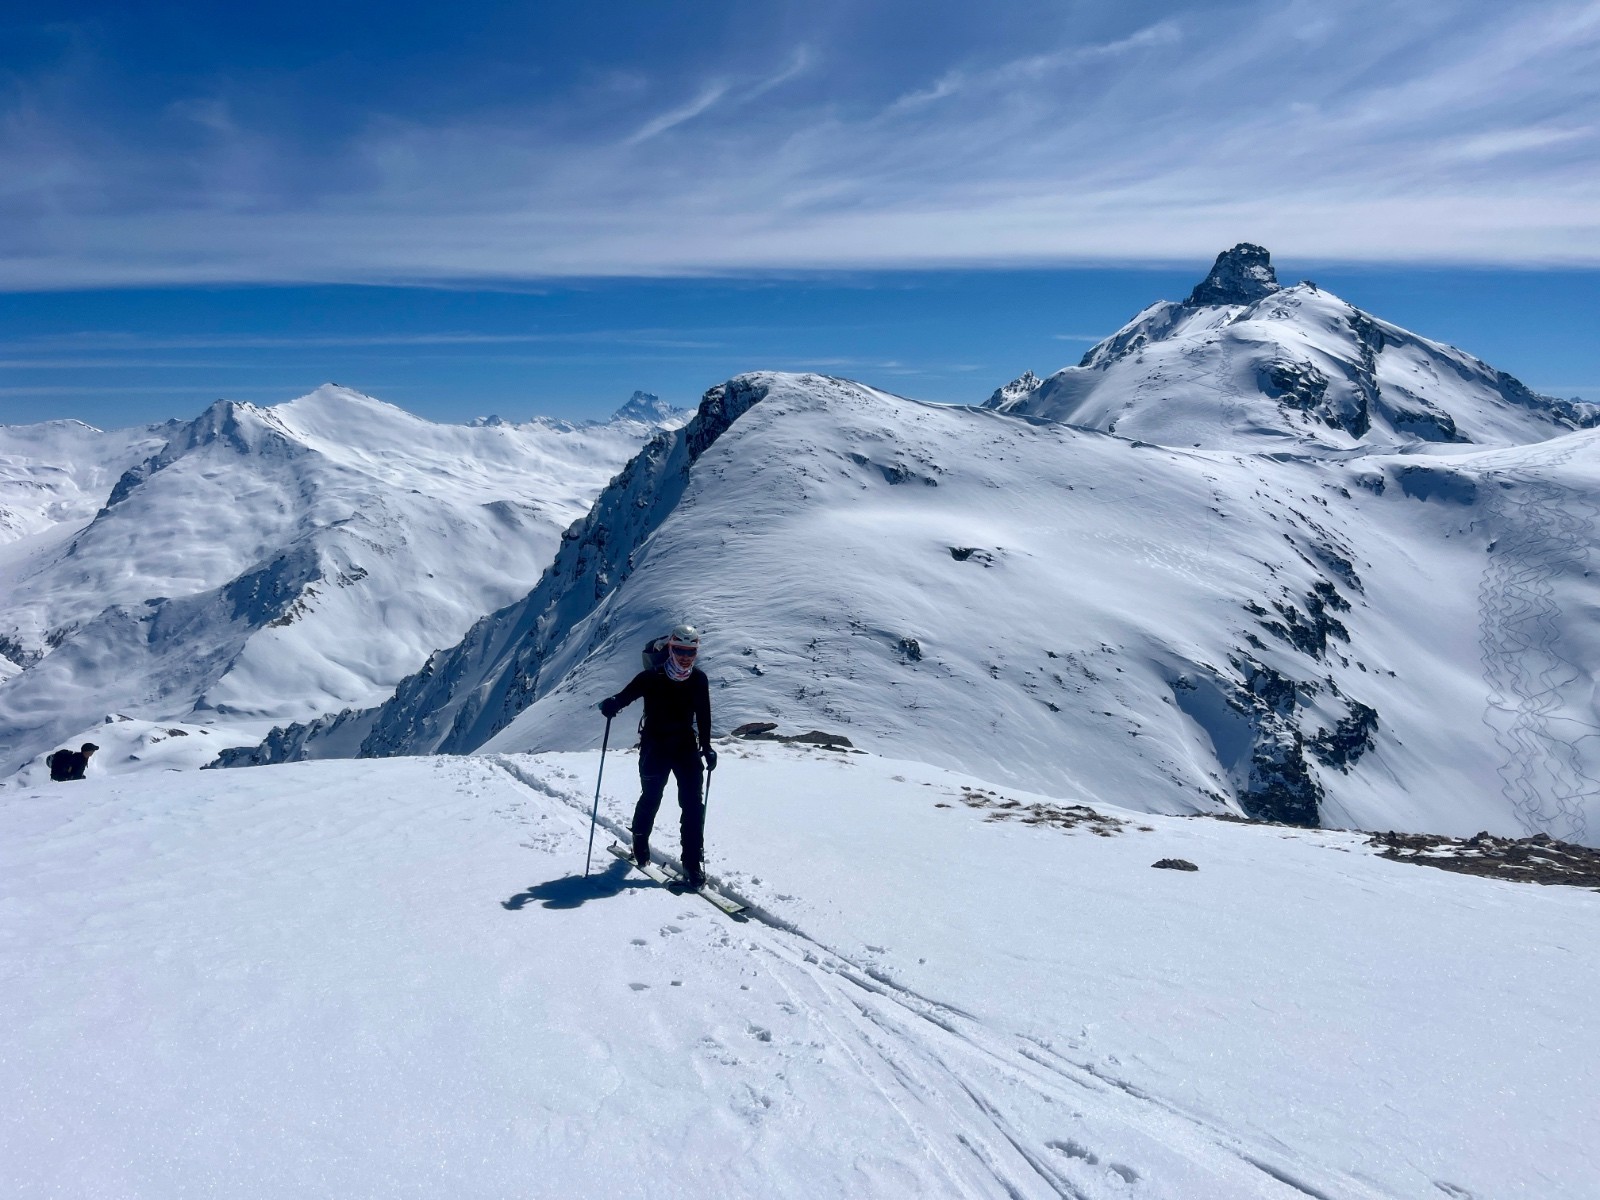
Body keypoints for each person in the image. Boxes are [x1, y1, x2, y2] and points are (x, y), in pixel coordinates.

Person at [598, 624, 717, 889]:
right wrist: (611, 704)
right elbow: (625, 697)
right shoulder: (651, 678)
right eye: (680, 650)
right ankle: (640, 841)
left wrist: (707, 747)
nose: (686, 656)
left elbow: (704, 715)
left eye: (691, 651)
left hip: (685, 746)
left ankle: (692, 863)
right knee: (652, 797)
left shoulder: (698, 679)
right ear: (671, 648)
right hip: (655, 746)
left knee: (693, 805)